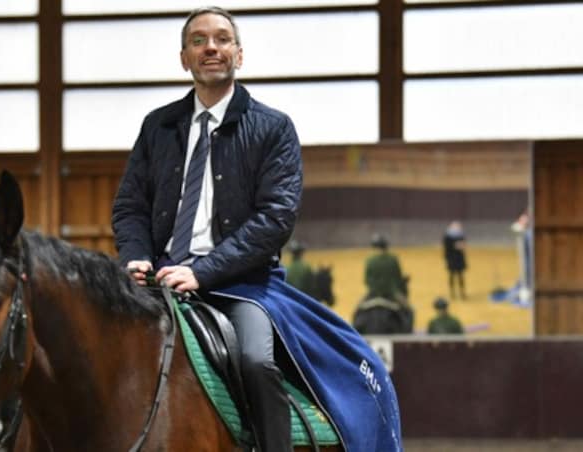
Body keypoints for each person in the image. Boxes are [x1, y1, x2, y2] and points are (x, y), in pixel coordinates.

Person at [112, 7, 401, 452]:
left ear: (239, 55)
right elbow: (130, 206)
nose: (211, 47)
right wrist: (136, 255)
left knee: (255, 363)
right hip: (158, 278)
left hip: (242, 285)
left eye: (223, 39)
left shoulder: (273, 128)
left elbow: (275, 219)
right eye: (199, 41)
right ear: (184, 58)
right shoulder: (157, 127)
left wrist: (203, 272)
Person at [364, 233, 406, 303]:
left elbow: (367, 280)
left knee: (357, 310)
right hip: (392, 292)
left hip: (374, 292)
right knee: (409, 310)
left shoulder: (370, 260)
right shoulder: (393, 259)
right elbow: (398, 277)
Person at [443, 220, 467, 299]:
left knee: (460, 276)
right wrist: (456, 246)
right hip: (452, 258)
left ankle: (462, 292)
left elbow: (463, 246)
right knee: (452, 275)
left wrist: (460, 246)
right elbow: (447, 248)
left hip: (459, 258)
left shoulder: (461, 235)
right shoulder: (448, 236)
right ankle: (452, 293)